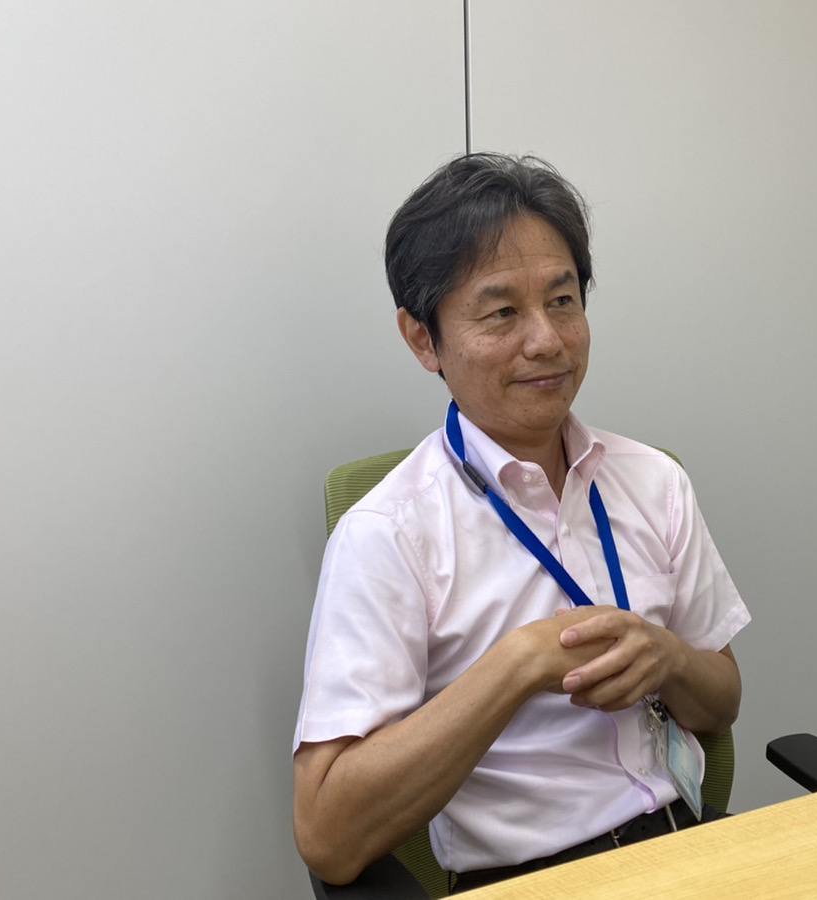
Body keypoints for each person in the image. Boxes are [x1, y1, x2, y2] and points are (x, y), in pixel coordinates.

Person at [292, 153, 750, 890]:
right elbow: (327, 835)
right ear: (423, 339)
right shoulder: (388, 533)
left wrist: (668, 658)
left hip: (688, 848)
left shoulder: (653, 481)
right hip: (528, 877)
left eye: (562, 301)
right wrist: (520, 664)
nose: (546, 341)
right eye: (502, 312)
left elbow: (722, 702)